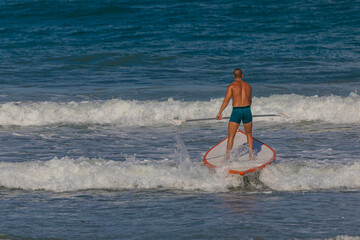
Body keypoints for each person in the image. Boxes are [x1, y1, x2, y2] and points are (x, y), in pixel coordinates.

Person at [216, 68, 254, 160]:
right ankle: (251, 156)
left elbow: (226, 100)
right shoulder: (248, 86)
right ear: (242, 75)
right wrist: (247, 110)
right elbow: (250, 101)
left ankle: (227, 158)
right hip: (247, 110)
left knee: (231, 136)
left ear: (233, 76)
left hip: (236, 111)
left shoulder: (231, 86)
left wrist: (219, 113)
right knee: (249, 134)